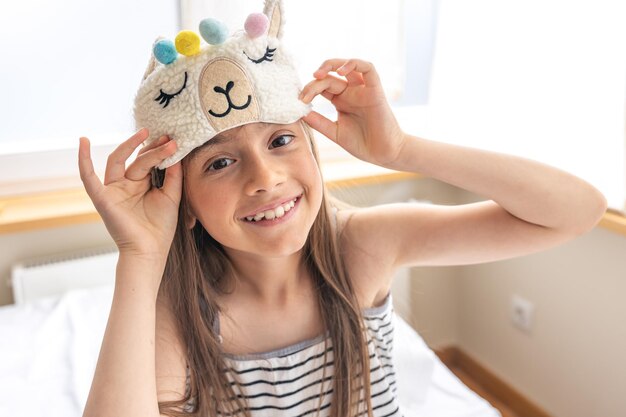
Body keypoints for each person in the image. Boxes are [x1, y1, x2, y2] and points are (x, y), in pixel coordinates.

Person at [77, 1, 607, 417]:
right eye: (219, 163)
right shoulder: (181, 313)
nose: (266, 178)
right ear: (182, 202)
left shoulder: (363, 247)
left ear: (312, 149)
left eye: (282, 140)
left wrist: (403, 151)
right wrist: (138, 256)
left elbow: (576, 211)